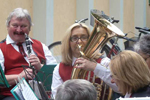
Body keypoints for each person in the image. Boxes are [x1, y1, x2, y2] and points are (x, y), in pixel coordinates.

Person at [0, 8, 56, 100]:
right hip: (12, 96)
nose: (19, 30)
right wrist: (19, 77)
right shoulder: (1, 48)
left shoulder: (40, 46)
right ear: (8, 26)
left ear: (29, 28)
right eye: (15, 25)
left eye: (23, 26)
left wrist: (40, 67)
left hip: (41, 94)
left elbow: (55, 72)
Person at [51, 22, 118, 99]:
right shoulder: (59, 68)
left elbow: (119, 88)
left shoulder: (104, 62)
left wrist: (95, 67)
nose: (79, 42)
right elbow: (57, 96)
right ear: (68, 42)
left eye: (83, 37)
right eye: (75, 38)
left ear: (90, 40)